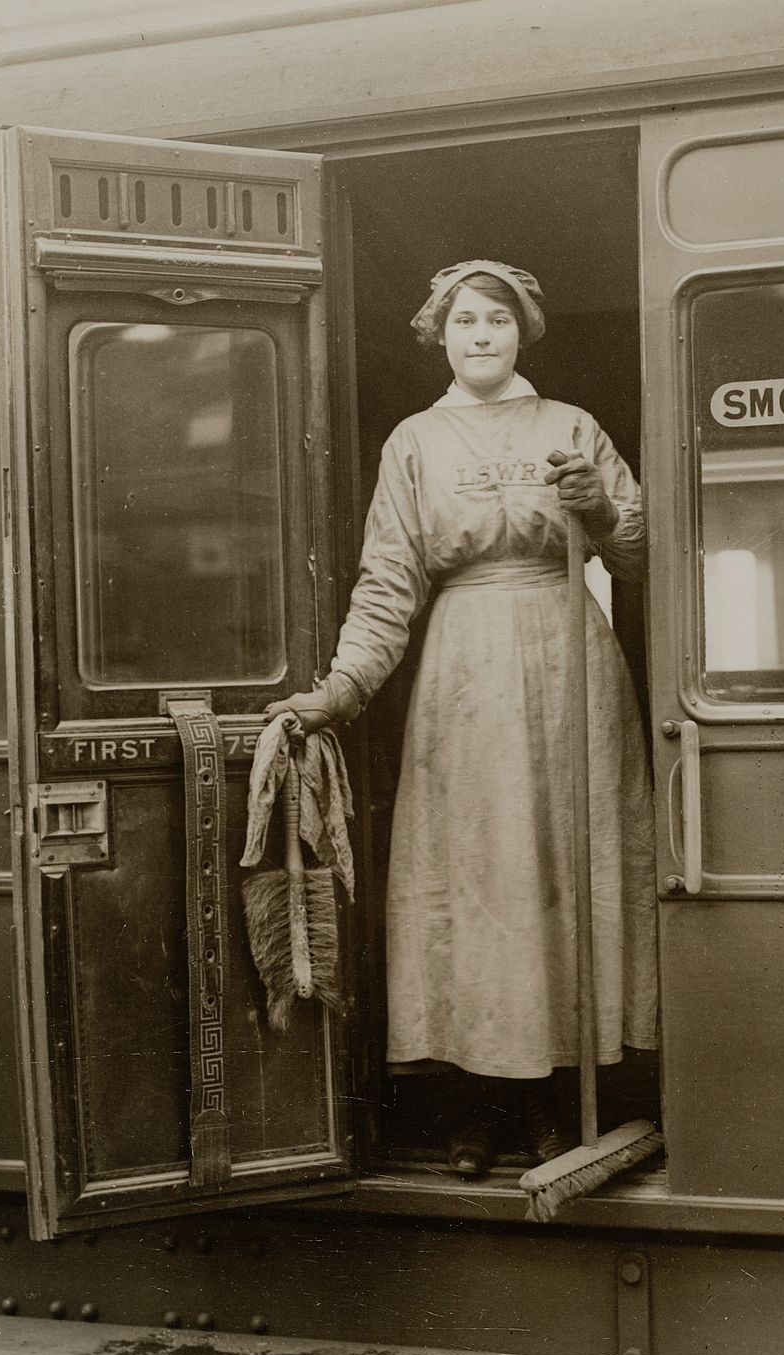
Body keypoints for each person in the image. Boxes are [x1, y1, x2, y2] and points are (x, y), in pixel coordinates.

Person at [266, 259, 657, 1176]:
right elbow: (386, 582)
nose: (481, 335)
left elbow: (642, 555)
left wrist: (598, 510)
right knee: (484, 882)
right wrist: (340, 690)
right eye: (464, 321)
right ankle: (480, 1108)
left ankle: (560, 1105)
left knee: (564, 874)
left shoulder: (572, 427)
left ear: (523, 330)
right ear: (439, 334)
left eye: (497, 319)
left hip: (570, 669)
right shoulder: (414, 441)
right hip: (465, 680)